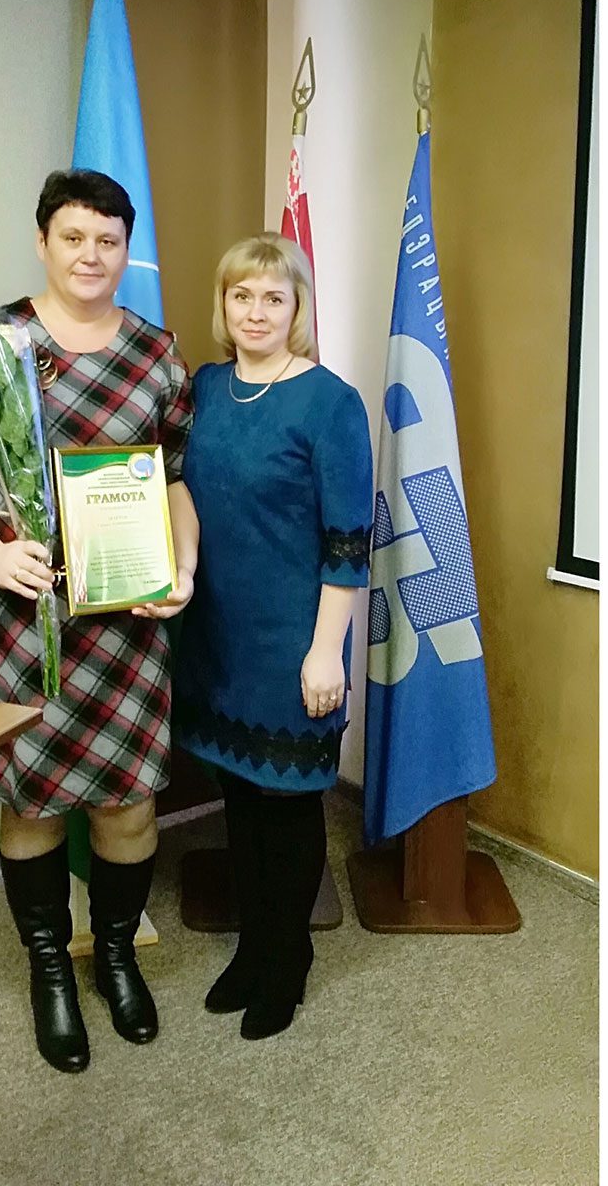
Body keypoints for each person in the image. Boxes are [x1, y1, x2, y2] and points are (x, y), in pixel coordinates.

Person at [0, 169, 199, 1074]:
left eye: (108, 241)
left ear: (126, 249)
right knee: (31, 803)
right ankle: (50, 967)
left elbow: (175, 477)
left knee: (128, 802)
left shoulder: (155, 353)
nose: (90, 255)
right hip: (13, 615)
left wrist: (181, 566)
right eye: (73, 238)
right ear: (43, 243)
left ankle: (114, 955)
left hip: (123, 616)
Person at [174, 231, 373, 1040]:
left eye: (273, 298)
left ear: (298, 309)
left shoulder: (330, 402)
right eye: (241, 296)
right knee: (241, 800)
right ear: (223, 304)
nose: (256, 311)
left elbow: (348, 542)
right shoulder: (205, 388)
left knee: (288, 806)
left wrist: (326, 651)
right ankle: (255, 947)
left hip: (296, 642)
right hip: (218, 638)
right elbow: (177, 491)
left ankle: (287, 963)